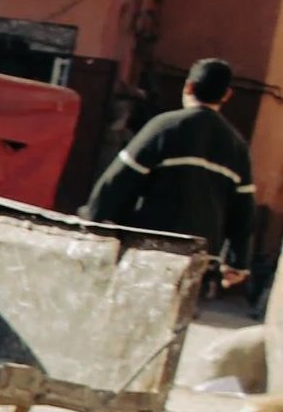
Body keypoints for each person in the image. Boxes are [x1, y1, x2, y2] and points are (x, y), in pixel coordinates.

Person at [84, 57, 255, 295]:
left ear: (189, 87)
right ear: (226, 95)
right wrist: (237, 262)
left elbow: (115, 183)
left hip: (150, 251)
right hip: (199, 259)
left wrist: (94, 227)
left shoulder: (164, 127)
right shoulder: (237, 146)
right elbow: (243, 211)